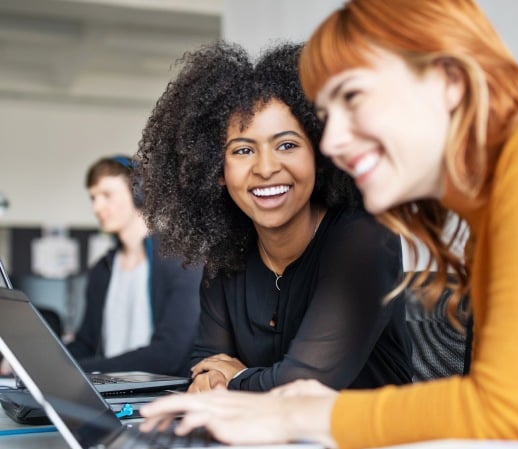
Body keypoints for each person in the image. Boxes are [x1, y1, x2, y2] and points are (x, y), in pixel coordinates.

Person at [139, 0, 518, 448]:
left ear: (450, 81)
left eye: (354, 97)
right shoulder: (494, 204)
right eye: (326, 116)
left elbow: (515, 413)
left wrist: (301, 414)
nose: (333, 142)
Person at [136, 41, 414, 393]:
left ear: (320, 153)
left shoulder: (365, 240)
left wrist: (235, 378)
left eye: (287, 145)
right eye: (243, 150)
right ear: (217, 170)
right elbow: (206, 372)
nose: (266, 168)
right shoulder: (226, 258)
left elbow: (304, 386)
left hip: (369, 444)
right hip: (266, 442)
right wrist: (223, 381)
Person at [66, 155, 203, 376]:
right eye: (93, 198)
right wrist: (40, 365)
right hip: (106, 395)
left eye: (107, 195)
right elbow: (86, 344)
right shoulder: (102, 269)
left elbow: (169, 354)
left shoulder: (182, 262)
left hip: (159, 399)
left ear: (138, 193)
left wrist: (80, 371)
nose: (97, 207)